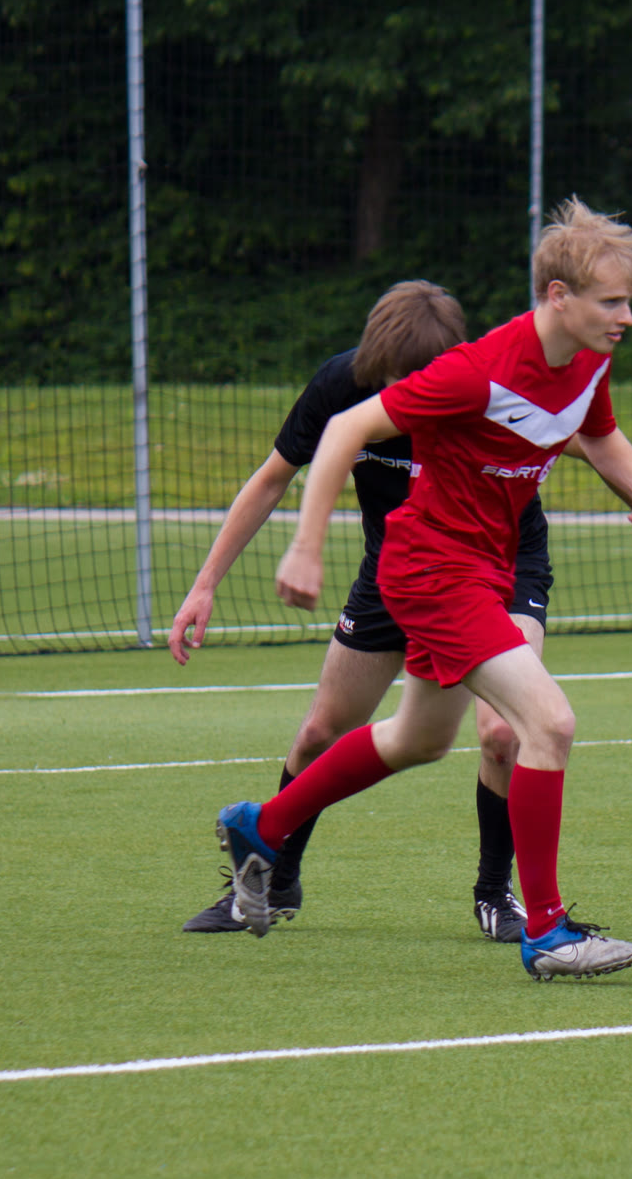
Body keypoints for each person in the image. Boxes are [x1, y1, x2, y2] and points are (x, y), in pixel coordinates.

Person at [213, 198, 632, 980]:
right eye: (612, 302)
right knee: (549, 721)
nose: (628, 317)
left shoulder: (587, 360)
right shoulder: (477, 370)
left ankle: (261, 825)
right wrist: (305, 547)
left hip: (487, 566)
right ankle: (546, 931)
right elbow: (344, 430)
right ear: (558, 296)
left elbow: (598, 432)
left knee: (420, 740)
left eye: (628, 301)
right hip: (432, 571)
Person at [169, 280, 599, 943]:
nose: (413, 397)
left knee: (504, 731)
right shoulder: (341, 385)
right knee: (323, 730)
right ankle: (272, 876)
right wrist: (205, 585)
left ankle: (497, 895)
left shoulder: (484, 382)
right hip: (398, 568)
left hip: (500, 563)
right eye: (400, 382)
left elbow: (580, 433)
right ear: (375, 363)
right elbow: (273, 477)